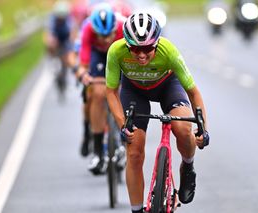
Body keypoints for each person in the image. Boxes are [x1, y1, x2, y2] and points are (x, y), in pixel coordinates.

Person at [105, 12, 210, 213]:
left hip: (167, 86)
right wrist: (122, 125)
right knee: (134, 150)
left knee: (182, 128)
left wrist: (203, 128)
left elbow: (193, 92)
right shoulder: (116, 51)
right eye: (135, 49)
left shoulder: (168, 50)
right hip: (134, 90)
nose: (141, 55)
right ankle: (136, 210)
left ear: (156, 44)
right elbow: (110, 92)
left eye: (147, 49)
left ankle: (187, 166)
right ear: (126, 44)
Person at [75, 3, 125, 175]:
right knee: (97, 93)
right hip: (97, 57)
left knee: (126, 92)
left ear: (115, 28)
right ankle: (97, 151)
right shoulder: (88, 29)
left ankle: (123, 141)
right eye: (100, 36)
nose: (104, 40)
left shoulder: (123, 27)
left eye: (108, 34)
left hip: (119, 53)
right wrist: (83, 75)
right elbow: (82, 65)